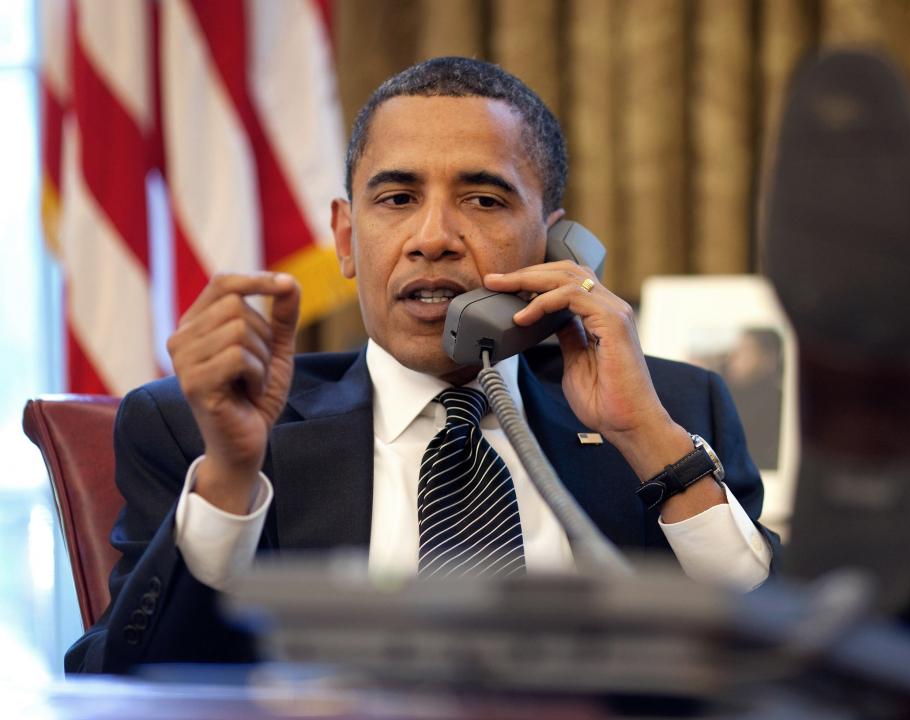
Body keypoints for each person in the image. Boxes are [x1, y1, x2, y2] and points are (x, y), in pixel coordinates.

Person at [68, 57, 778, 673]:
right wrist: (228, 478)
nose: (432, 238)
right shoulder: (201, 429)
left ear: (555, 244)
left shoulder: (672, 411)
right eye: (398, 199)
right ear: (346, 238)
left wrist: (647, 439)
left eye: (483, 199)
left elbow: (789, 662)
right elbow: (122, 681)